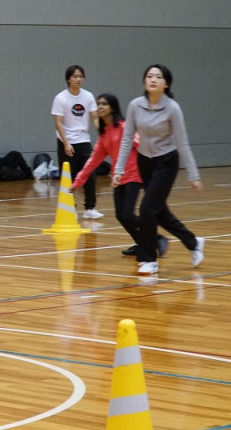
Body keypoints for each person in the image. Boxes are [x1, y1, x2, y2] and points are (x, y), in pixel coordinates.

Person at [113, 64, 205, 275]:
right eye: (149, 76)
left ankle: (149, 259)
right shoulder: (135, 105)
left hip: (166, 161)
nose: (153, 79)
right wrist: (119, 170)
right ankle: (193, 242)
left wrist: (193, 175)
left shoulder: (173, 108)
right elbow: (127, 139)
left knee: (147, 208)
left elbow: (182, 143)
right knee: (158, 210)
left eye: (158, 77)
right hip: (145, 161)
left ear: (167, 83)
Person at [71, 93, 168, 258]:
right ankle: (143, 243)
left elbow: (142, 145)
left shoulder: (124, 127)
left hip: (134, 174)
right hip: (118, 176)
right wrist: (78, 181)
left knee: (128, 214)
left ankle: (156, 238)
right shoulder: (104, 134)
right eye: (98, 104)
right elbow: (93, 160)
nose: (100, 107)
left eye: (104, 104)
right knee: (120, 216)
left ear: (113, 108)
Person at [51, 64, 102, 219]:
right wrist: (66, 143)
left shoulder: (88, 96)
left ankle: (90, 208)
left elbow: (95, 117)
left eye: (80, 76)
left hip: (84, 141)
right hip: (67, 141)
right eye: (75, 76)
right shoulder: (61, 98)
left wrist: (101, 132)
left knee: (90, 174)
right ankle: (70, 208)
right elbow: (58, 122)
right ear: (68, 79)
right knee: (68, 177)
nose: (78, 79)